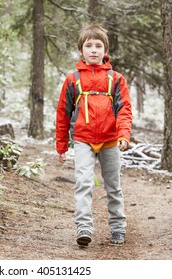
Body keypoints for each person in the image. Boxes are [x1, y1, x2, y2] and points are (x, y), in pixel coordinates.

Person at [55, 24, 132, 247]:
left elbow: (124, 109)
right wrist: (61, 146)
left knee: (113, 185)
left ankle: (118, 228)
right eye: (89, 46)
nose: (94, 50)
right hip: (82, 140)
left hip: (110, 140)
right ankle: (84, 228)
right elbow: (63, 113)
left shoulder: (116, 79)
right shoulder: (73, 80)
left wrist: (123, 135)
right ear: (81, 50)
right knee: (83, 183)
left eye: (98, 46)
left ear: (105, 49)